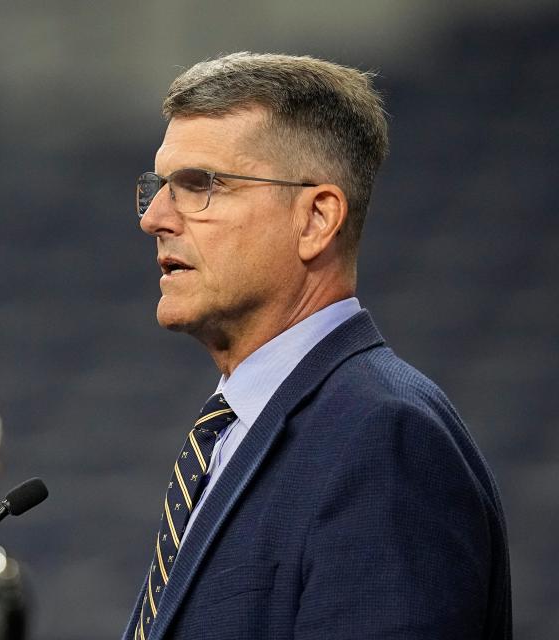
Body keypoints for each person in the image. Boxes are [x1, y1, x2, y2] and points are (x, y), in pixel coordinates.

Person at [123, 52, 511, 640]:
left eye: (200, 185)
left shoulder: (383, 440)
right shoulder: (236, 433)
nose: (155, 217)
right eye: (157, 187)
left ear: (316, 218)